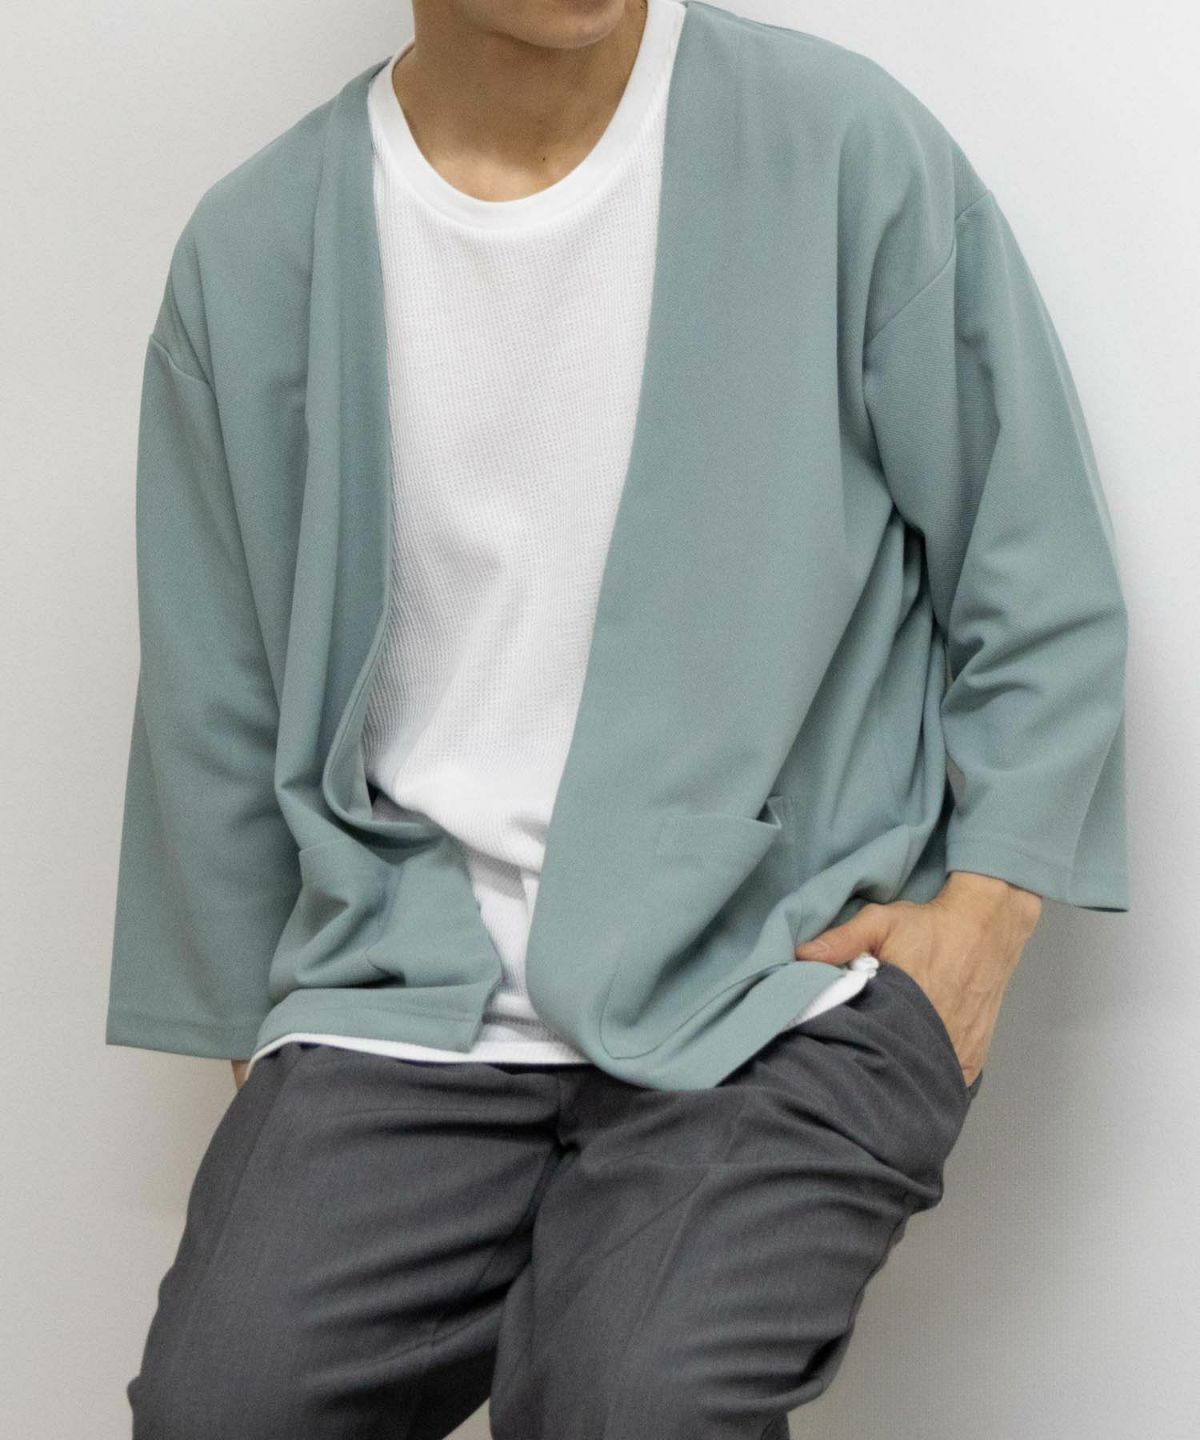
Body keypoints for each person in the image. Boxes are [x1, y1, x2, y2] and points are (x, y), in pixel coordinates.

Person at [107, 2, 1130, 1435]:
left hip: (780, 974)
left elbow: (1035, 566)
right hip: (410, 993)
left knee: (632, 1401)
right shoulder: (258, 247)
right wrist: (275, 1068)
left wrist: (984, 919)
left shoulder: (839, 146)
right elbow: (217, 700)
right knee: (226, 1405)